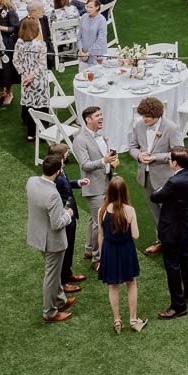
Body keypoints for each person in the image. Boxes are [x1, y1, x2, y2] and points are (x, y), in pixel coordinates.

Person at [146, 147, 188, 319]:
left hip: (172, 229)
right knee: (186, 257)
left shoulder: (174, 182)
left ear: (175, 163)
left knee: (173, 266)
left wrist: (163, 187)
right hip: (185, 225)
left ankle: (178, 305)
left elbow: (155, 196)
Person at [27, 153, 77, 324]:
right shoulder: (53, 194)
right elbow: (57, 223)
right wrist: (68, 214)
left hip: (37, 235)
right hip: (52, 241)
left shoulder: (31, 181)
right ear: (57, 171)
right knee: (51, 276)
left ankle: (60, 300)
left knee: (53, 274)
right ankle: (49, 312)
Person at [127, 96, 176, 256]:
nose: (144, 119)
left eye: (147, 116)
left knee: (169, 212)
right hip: (146, 176)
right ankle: (161, 240)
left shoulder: (171, 127)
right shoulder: (140, 125)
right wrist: (139, 155)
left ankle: (173, 243)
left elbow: (178, 152)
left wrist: (157, 157)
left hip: (165, 178)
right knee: (154, 211)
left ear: (157, 115)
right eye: (143, 115)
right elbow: (132, 146)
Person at [96, 176, 146, 332]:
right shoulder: (129, 210)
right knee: (131, 283)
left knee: (113, 286)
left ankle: (117, 321)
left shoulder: (102, 211)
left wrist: (101, 255)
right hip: (126, 250)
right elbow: (136, 235)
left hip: (109, 251)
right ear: (125, 192)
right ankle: (133, 319)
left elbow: (101, 235)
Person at [73, 106, 117, 267]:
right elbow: (85, 165)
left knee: (93, 220)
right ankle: (97, 258)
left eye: (101, 115)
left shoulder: (101, 136)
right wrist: (104, 161)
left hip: (106, 181)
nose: (101, 118)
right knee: (100, 223)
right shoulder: (79, 140)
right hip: (93, 186)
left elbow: (102, 156)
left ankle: (88, 248)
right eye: (97, 115)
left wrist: (111, 160)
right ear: (88, 120)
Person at [48, 142, 88, 293]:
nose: (68, 155)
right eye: (66, 154)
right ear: (61, 157)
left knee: (70, 247)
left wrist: (78, 183)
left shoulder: (60, 172)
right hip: (65, 216)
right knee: (65, 249)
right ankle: (63, 282)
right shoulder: (56, 176)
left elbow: (66, 186)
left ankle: (68, 273)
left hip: (70, 214)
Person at [14, 16, 51, 139]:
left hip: (25, 79)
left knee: (29, 105)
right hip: (38, 80)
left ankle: (30, 134)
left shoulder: (19, 43)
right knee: (41, 106)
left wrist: (24, 74)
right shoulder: (41, 44)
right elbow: (42, 64)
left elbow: (15, 61)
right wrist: (31, 76)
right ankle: (44, 132)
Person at [0, 0, 22, 106]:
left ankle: (9, 92)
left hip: (7, 42)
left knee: (7, 68)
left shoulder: (10, 10)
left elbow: (15, 28)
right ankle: (0, 91)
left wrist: (0, 27)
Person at [78, 0, 109, 66]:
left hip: (97, 57)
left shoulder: (102, 21)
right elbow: (79, 37)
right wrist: (81, 52)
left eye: (90, 7)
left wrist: (87, 54)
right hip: (83, 56)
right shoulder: (83, 17)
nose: (88, 9)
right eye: (87, 7)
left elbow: (101, 41)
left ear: (97, 7)